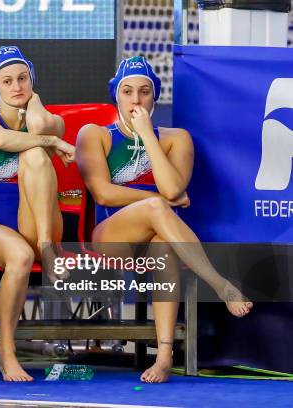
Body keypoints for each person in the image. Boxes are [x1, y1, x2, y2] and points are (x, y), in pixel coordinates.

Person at [76, 56, 253, 384]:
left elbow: (174, 188)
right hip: (112, 237)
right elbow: (102, 193)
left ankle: (164, 355)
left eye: (144, 92)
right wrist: (156, 201)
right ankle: (219, 284)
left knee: (163, 245)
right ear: (116, 96)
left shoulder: (176, 138)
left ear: (154, 97)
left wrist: (147, 135)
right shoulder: (94, 134)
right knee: (159, 210)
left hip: (161, 237)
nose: (136, 99)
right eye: (127, 92)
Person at [0, 46, 75, 381]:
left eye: (23, 79)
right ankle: (6, 351)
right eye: (8, 80)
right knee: (20, 257)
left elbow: (42, 125)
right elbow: (0, 138)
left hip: (39, 224)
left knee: (36, 156)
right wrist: (53, 143)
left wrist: (35, 102)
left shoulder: (50, 120)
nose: (16, 87)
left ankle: (46, 246)